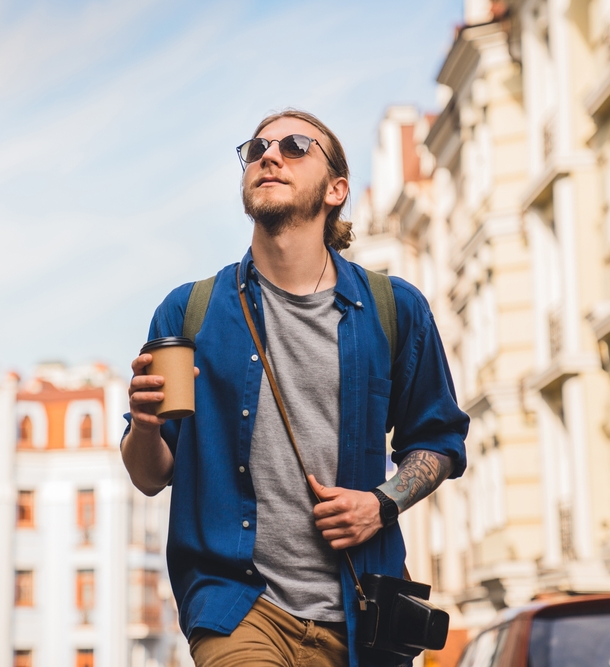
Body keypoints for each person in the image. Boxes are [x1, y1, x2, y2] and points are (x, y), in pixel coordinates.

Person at [121, 109, 468, 667]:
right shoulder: (189, 312)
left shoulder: (394, 309)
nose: (269, 155)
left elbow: (441, 441)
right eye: (257, 147)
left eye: (296, 146)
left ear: (337, 189)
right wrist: (143, 424)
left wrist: (381, 503)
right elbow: (148, 476)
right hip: (236, 607)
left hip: (364, 616)